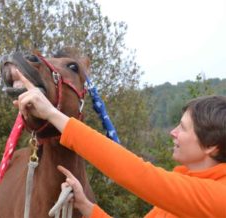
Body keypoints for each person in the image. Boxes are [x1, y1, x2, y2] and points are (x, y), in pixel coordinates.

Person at [13, 72, 226, 217]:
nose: (173, 132)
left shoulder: (219, 199)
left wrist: (52, 114)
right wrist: (88, 208)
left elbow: (137, 173)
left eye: (183, 128)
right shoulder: (184, 192)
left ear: (211, 146)